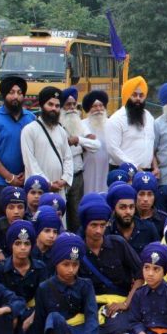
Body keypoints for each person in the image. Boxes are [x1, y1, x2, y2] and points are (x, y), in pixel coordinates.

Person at [32, 233, 106, 334]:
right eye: (66, 264)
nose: (71, 270)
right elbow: (40, 320)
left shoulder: (86, 285)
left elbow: (91, 315)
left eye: (75, 265)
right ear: (56, 263)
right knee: (54, 318)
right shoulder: (44, 288)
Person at [77, 198, 143, 334]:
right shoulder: (78, 249)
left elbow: (140, 275)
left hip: (118, 305)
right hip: (89, 307)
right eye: (93, 225)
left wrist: (126, 303)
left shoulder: (118, 244)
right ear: (85, 225)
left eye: (102, 225)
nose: (99, 230)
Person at [0, 76, 36, 221]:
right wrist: (9, 177)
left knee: (23, 225)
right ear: (4, 95)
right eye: (11, 92)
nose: (16, 96)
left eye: (19, 92)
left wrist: (25, 172)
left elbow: (34, 151)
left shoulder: (30, 119)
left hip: (25, 181)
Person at [0, 221, 49, 334]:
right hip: (7, 313)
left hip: (32, 312)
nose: (22, 248)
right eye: (18, 243)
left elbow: (45, 298)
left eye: (27, 243)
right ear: (11, 245)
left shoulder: (40, 267)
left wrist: (32, 318)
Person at [59, 88, 99, 231]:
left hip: (77, 177)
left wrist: (79, 140)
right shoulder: (55, 124)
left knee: (76, 217)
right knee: (59, 216)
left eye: (73, 104)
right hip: (59, 178)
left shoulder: (79, 124)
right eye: (67, 104)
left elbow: (96, 145)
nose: (71, 108)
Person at [106, 76, 159, 177]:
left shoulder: (149, 117)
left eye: (141, 95)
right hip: (123, 172)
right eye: (134, 95)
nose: (138, 98)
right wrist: (134, 167)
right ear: (127, 95)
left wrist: (155, 167)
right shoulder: (116, 119)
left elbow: (149, 145)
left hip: (146, 172)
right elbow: (112, 149)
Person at [106, 183, 160, 254]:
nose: (128, 212)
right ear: (114, 209)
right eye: (123, 207)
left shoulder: (149, 229)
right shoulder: (108, 233)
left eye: (131, 207)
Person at [80, 90, 110, 195]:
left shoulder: (112, 124)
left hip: (107, 167)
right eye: (94, 106)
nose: (98, 109)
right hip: (88, 168)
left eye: (101, 105)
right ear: (89, 109)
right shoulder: (81, 125)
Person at [133, 171, 167, 235]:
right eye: (141, 194)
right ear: (135, 195)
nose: (145, 199)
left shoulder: (163, 220)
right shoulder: (129, 217)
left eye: (150, 194)